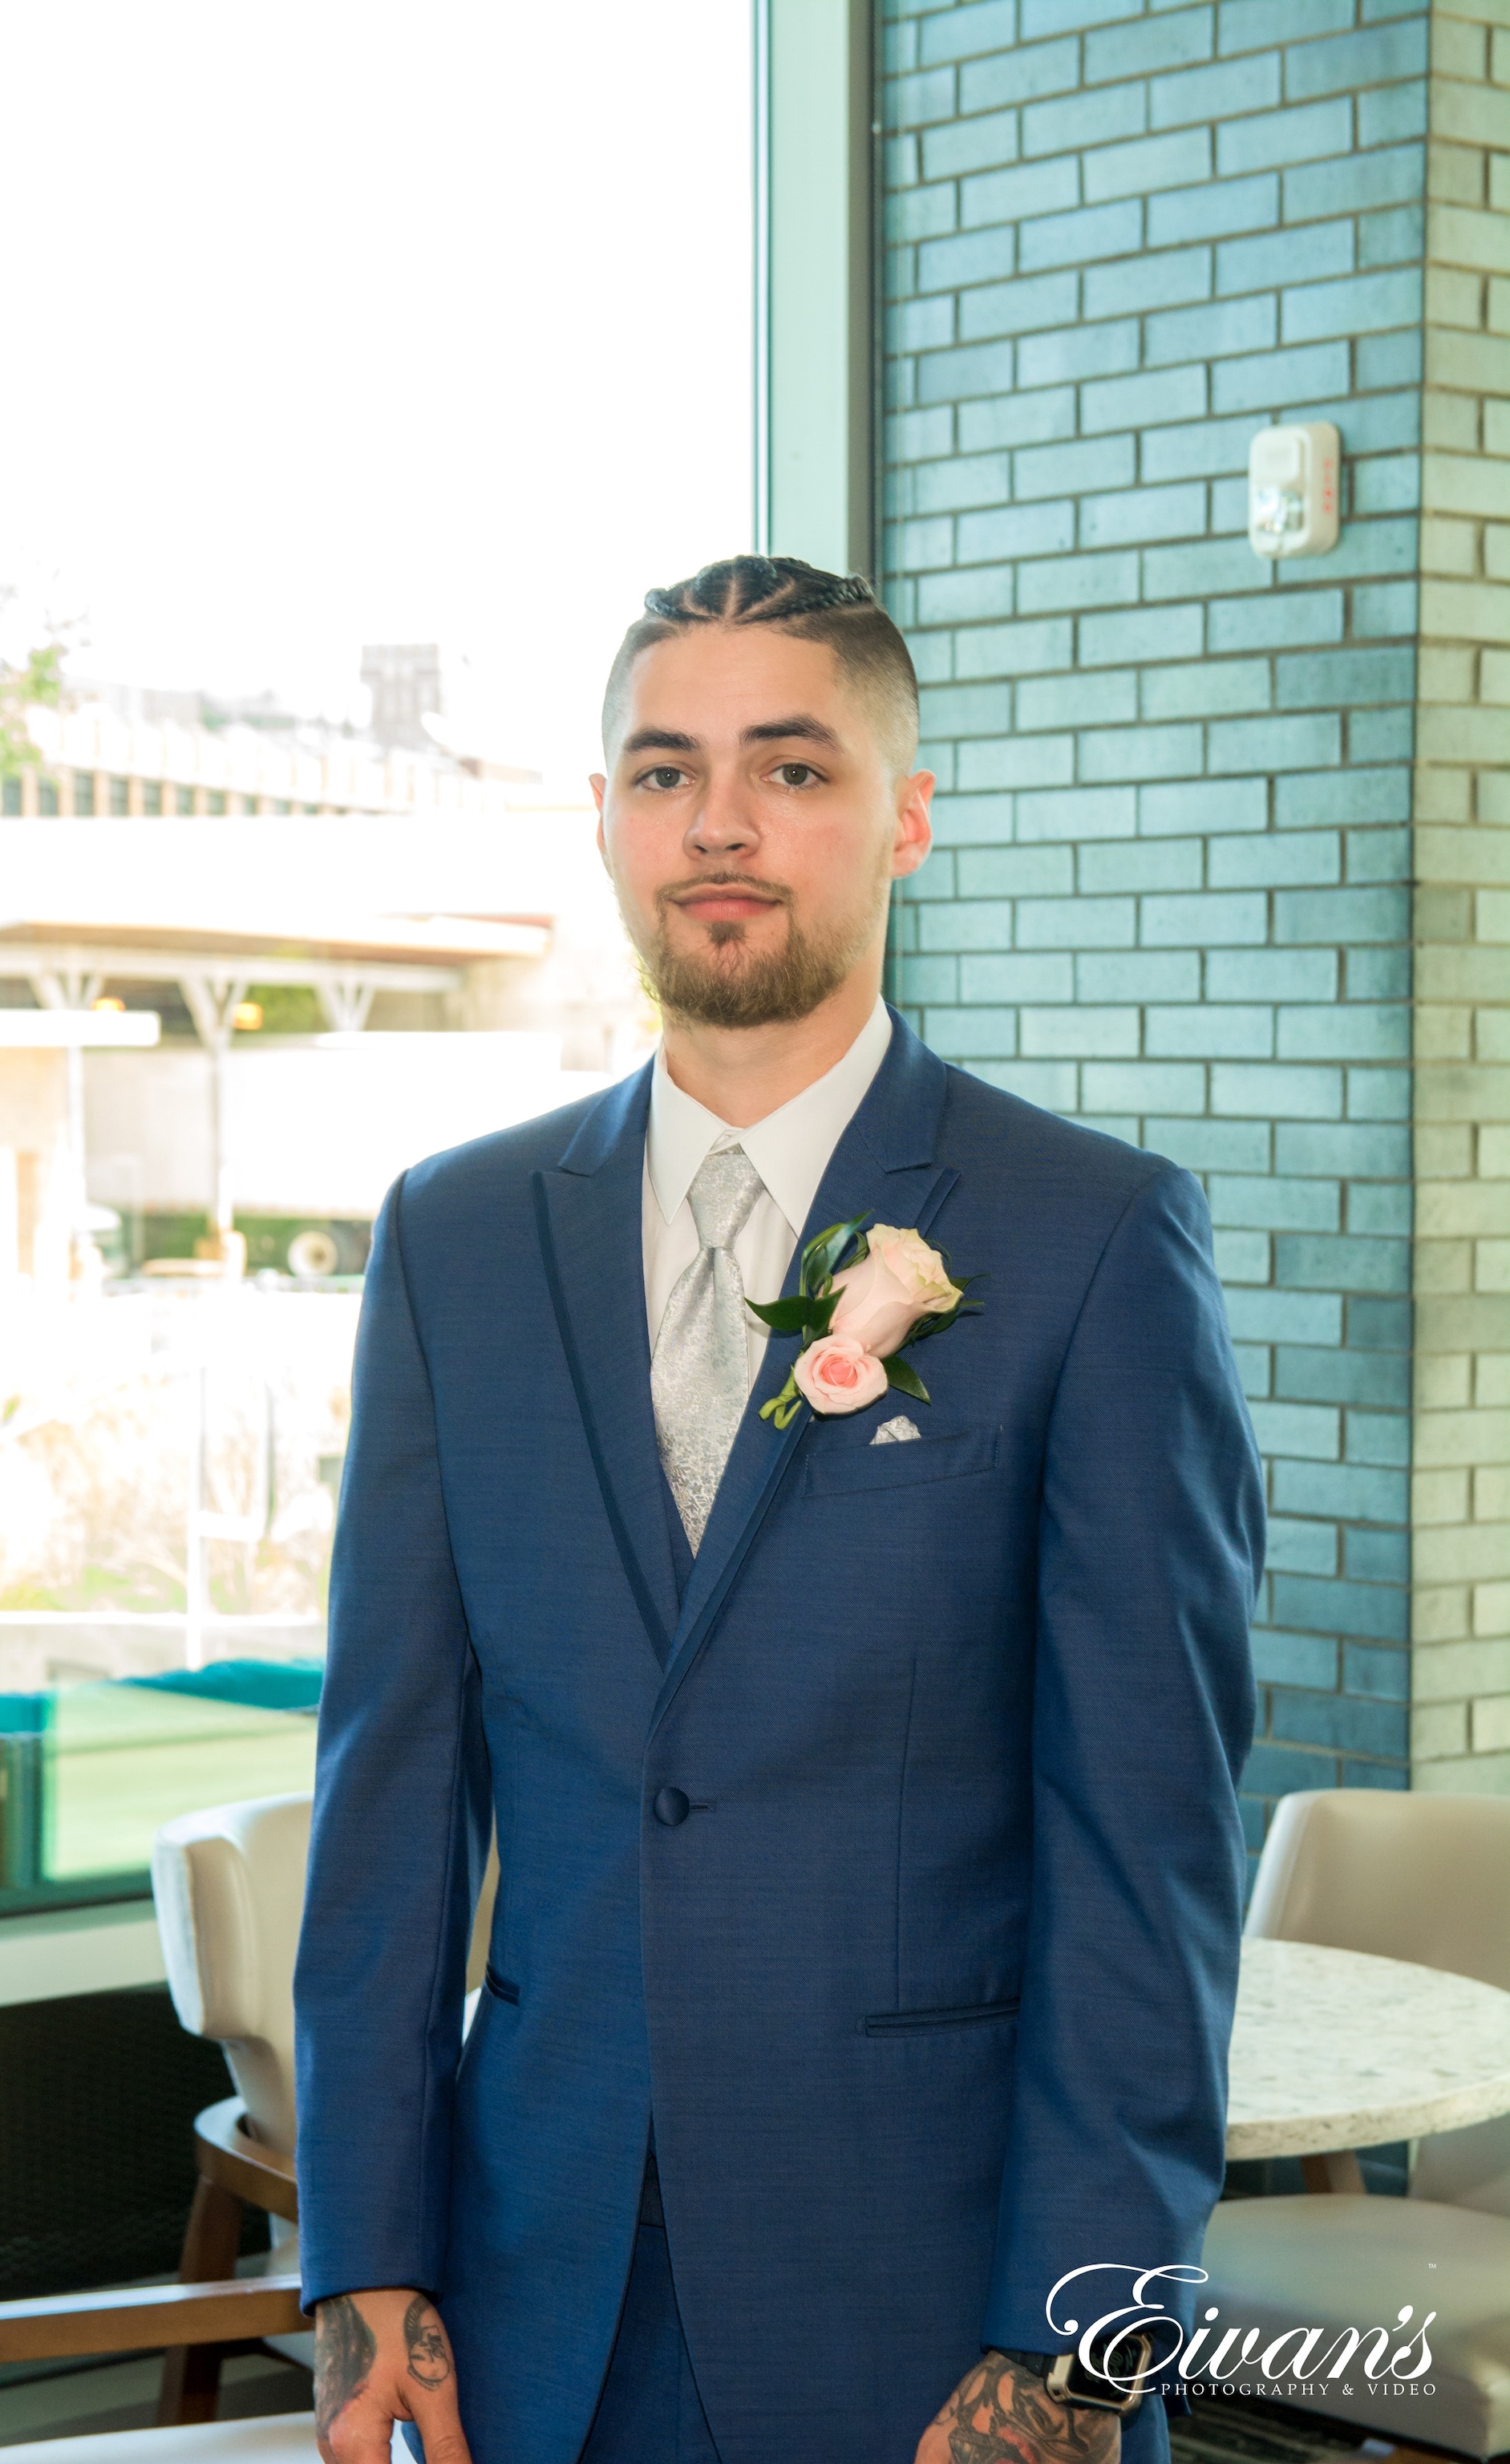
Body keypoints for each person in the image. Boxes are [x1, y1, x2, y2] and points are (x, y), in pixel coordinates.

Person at [294, 555, 1262, 2464]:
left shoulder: (1088, 1237)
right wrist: (367, 2252)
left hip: (932, 2304)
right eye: (663, 772)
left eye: (793, 770)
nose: (718, 824)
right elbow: (389, 1782)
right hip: (531, 2288)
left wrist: (1070, 2348)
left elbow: (1146, 1849)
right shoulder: (454, 1238)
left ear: (906, 816)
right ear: (601, 822)